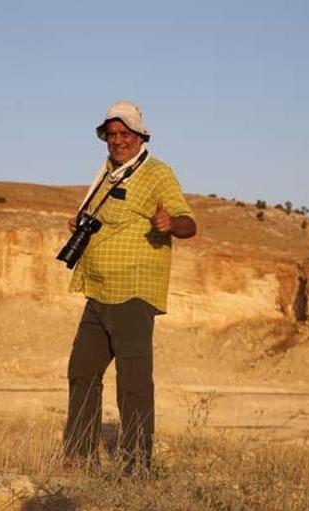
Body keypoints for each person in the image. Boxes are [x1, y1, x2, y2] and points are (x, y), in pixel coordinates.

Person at [63, 100, 196, 473]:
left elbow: (189, 222)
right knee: (81, 371)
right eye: (112, 134)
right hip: (98, 290)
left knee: (133, 383)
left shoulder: (157, 173)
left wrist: (170, 224)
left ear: (140, 136)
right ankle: (78, 459)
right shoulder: (105, 175)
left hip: (134, 291)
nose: (117, 140)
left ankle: (136, 466)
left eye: (125, 134)